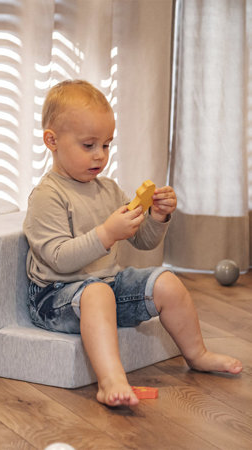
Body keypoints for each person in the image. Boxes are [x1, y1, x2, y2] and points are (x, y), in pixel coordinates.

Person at [23, 80, 242, 407]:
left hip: (104, 286)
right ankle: (109, 381)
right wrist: (107, 233)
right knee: (96, 292)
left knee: (166, 281)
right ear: (51, 141)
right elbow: (59, 259)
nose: (100, 155)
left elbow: (143, 241)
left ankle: (197, 354)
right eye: (88, 145)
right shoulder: (47, 196)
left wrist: (157, 217)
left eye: (107, 145)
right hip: (55, 296)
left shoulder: (108, 189)